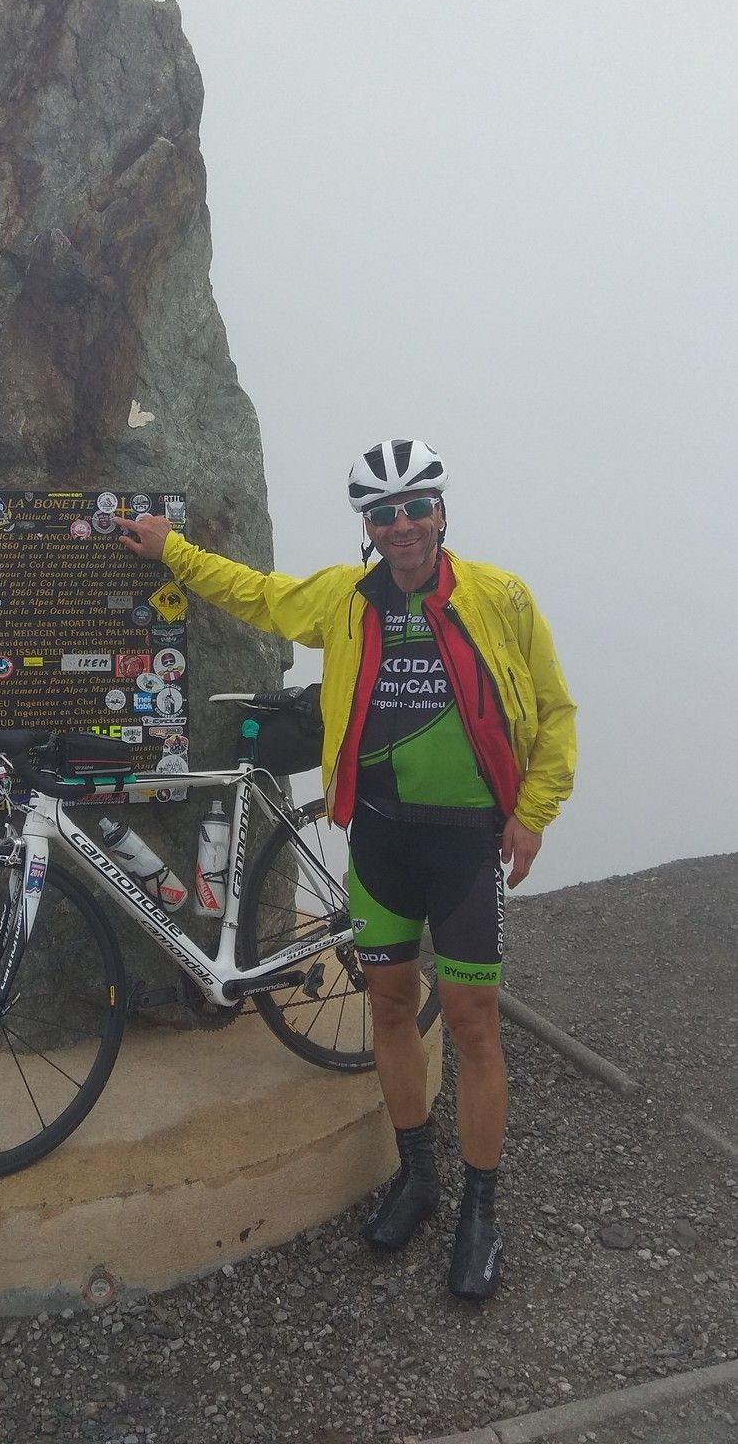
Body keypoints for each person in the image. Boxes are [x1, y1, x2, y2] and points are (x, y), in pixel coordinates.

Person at [116, 439, 576, 1300]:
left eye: (416, 507)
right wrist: (172, 551)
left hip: (465, 841)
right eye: (384, 512)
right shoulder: (346, 598)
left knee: (474, 1027)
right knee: (391, 1006)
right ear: (368, 525)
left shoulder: (499, 597)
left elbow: (553, 709)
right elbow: (257, 595)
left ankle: (481, 1210)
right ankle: (419, 1175)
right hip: (379, 839)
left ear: (441, 512)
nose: (402, 525)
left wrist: (532, 813)